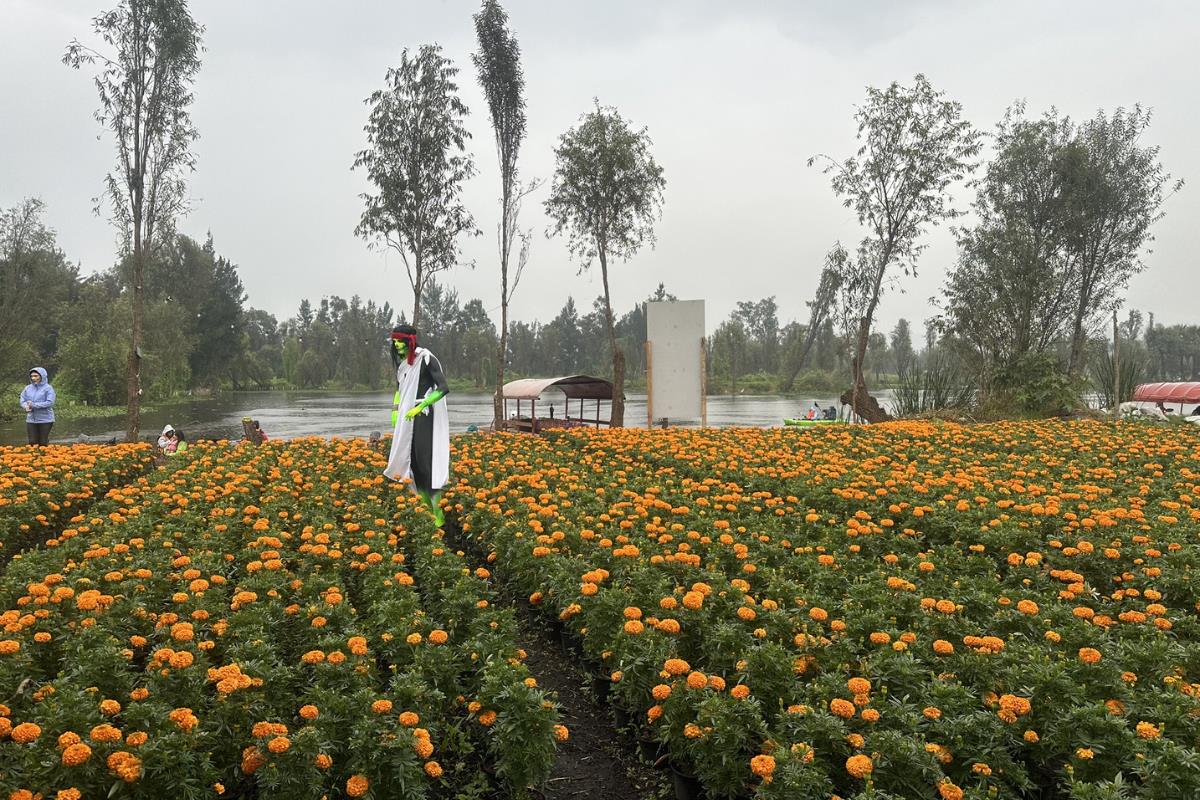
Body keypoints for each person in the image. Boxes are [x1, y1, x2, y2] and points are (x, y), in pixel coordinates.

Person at [383, 324, 450, 526]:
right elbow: (399, 391)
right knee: (411, 463)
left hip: (424, 416)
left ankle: (438, 514)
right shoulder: (404, 366)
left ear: (410, 342)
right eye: (394, 342)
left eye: (400, 342)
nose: (397, 346)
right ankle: (425, 510)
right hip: (407, 418)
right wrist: (396, 413)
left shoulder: (426, 358)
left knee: (425, 462)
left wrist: (420, 408)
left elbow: (444, 388)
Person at [20, 367, 56, 446]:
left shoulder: (48, 388)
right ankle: (33, 457)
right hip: (31, 419)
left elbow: (50, 402)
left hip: (46, 419)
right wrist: (25, 406)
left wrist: (34, 405)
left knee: (43, 442)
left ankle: (45, 457)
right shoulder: (27, 388)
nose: (33, 378)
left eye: (36, 376)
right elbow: (22, 399)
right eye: (32, 376)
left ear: (42, 376)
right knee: (32, 442)